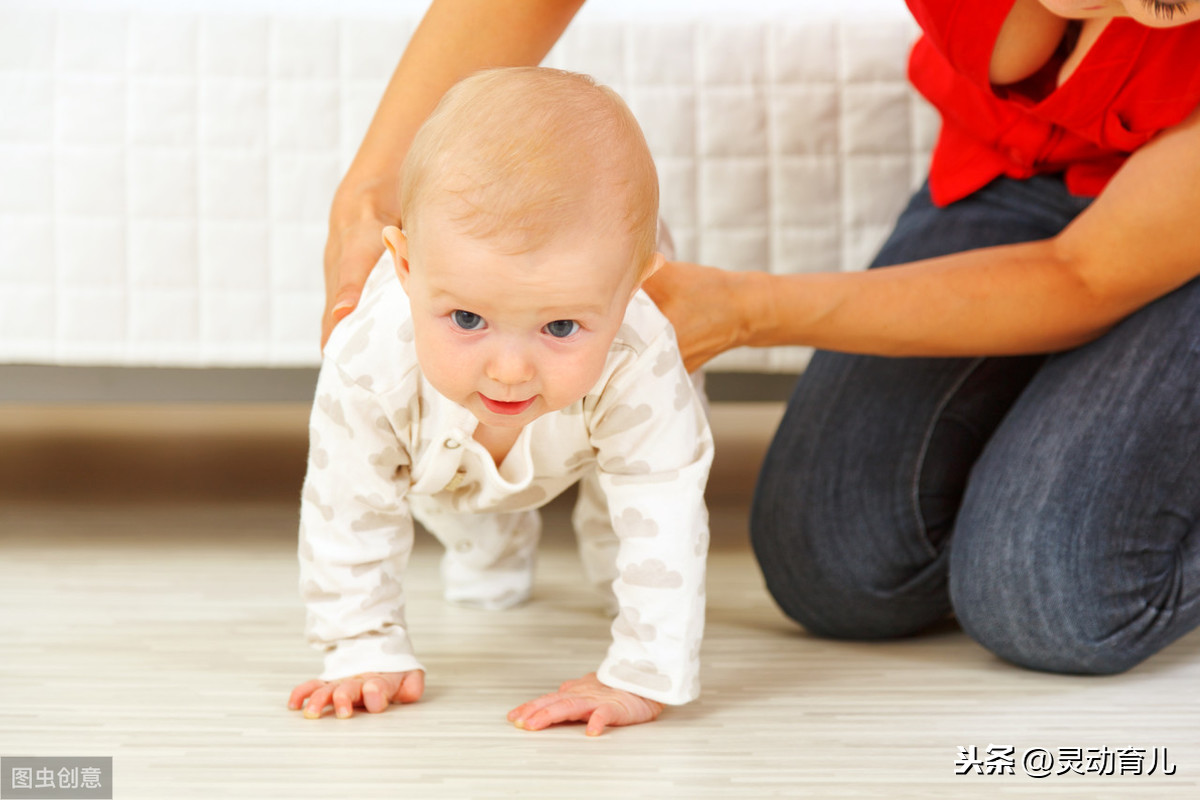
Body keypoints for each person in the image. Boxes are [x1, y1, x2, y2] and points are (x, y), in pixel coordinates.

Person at [321, 0, 1200, 676]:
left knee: (1052, 595)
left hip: (1160, 222)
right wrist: (372, 182)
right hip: (1023, 166)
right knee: (836, 568)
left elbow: (1082, 275)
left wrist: (743, 308)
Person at [289, 67, 712, 736]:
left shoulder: (640, 350)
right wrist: (362, 644)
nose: (510, 371)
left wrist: (641, 668)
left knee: (625, 511)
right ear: (403, 267)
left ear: (634, 291)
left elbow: (662, 502)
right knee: (453, 502)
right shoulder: (372, 356)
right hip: (439, 444)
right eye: (465, 318)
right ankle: (493, 546)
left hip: (588, 427)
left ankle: (609, 583)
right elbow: (350, 504)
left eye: (561, 327)